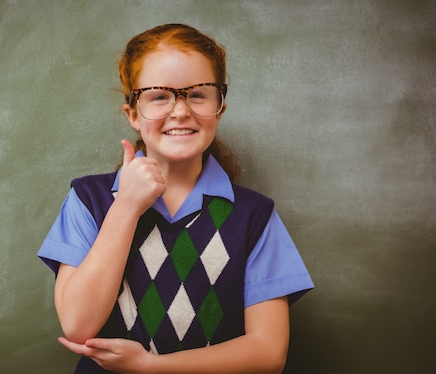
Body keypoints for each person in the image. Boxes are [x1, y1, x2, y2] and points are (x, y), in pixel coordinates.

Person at [38, 23, 314, 373]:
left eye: (198, 94)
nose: (181, 111)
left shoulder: (254, 217)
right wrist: (126, 206)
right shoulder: (88, 200)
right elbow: (79, 326)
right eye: (159, 95)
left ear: (219, 108)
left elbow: (268, 353)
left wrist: (151, 367)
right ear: (133, 114)